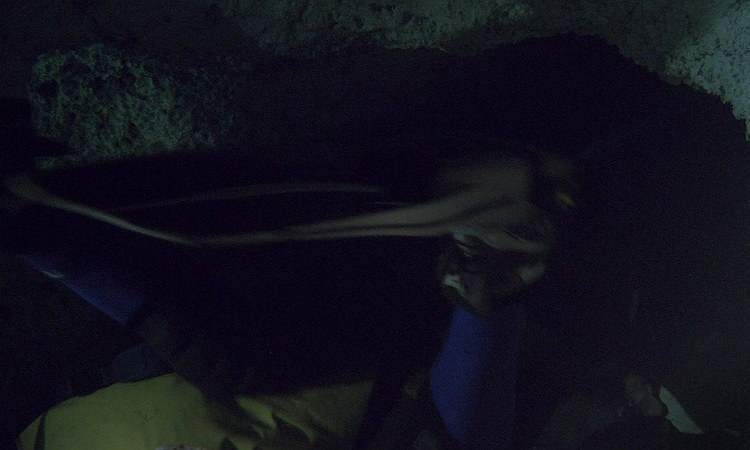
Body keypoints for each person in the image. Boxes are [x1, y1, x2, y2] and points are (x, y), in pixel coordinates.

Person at [2, 133, 560, 449]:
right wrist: (486, 315)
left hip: (272, 352)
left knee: (224, 343)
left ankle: (31, 218)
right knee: (229, 349)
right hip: (369, 354)